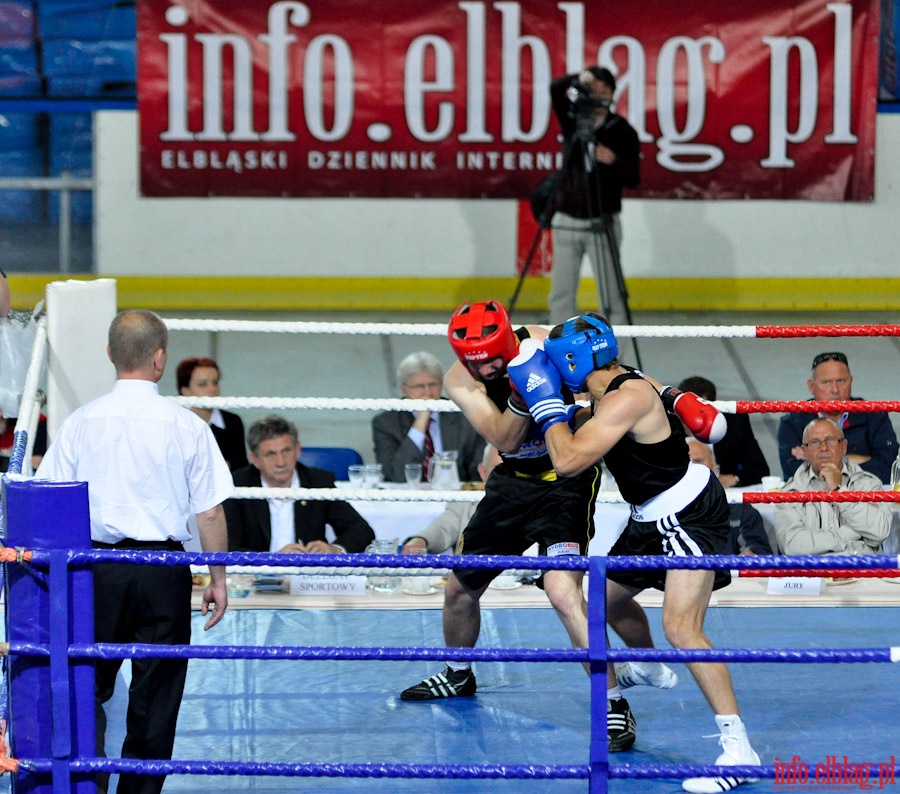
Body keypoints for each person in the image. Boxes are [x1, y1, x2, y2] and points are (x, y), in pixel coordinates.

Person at [509, 313, 759, 792]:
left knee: (682, 628)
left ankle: (738, 750)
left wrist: (543, 400)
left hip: (686, 513)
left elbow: (567, 460)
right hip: (648, 515)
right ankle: (644, 662)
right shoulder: (624, 379)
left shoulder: (626, 396)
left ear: (572, 361)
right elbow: (542, 340)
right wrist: (520, 343)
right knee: (599, 600)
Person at [36, 309, 232, 794]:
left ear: (109, 355)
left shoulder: (81, 422)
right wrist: (219, 580)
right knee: (156, 697)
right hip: (163, 571)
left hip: (94, 569)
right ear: (161, 359)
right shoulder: (186, 425)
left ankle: (87, 787)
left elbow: (47, 503)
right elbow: (209, 513)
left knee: (87, 687)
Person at [400, 300, 605, 702]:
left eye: (495, 358)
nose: (489, 368)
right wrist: (521, 391)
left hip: (567, 480)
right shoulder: (460, 381)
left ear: (509, 339)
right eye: (479, 362)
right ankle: (458, 675)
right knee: (458, 590)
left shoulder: (545, 343)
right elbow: (504, 439)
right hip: (512, 481)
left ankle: (612, 701)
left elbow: (599, 390)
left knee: (563, 593)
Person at [547, 67, 641, 353]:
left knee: (612, 297)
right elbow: (555, 88)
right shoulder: (573, 121)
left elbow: (633, 179)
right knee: (560, 296)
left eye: (604, 88)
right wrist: (580, 77)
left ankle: (618, 358)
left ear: (613, 93)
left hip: (603, 222)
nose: (598, 94)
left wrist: (613, 160)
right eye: (592, 88)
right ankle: (560, 353)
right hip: (567, 220)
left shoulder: (622, 131)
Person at [226, 414, 374, 554]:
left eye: (286, 451)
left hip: (307, 576)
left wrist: (334, 549)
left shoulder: (317, 482)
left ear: (297, 450)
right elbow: (226, 546)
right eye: (271, 454)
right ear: (255, 459)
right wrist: (272, 560)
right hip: (255, 577)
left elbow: (361, 529)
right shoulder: (238, 486)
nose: (281, 462)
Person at [775, 417, 891, 555]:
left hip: (862, 573)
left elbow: (880, 531)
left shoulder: (868, 484)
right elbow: (793, 547)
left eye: (830, 440)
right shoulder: (790, 493)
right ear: (804, 451)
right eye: (814, 442)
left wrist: (839, 492)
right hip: (813, 574)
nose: (823, 448)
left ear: (844, 447)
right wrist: (854, 532)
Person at [777, 352, 897, 483]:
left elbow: (889, 470)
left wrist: (819, 460)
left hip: (864, 500)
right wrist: (858, 460)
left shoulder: (874, 414)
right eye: (826, 382)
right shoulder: (792, 422)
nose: (835, 390)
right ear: (811, 386)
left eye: (841, 381)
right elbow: (794, 475)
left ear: (851, 381)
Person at [372, 350, 485, 483]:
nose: (427, 392)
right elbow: (396, 475)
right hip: (407, 498)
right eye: (419, 386)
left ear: (442, 384)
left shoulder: (462, 415)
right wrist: (421, 421)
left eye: (432, 384)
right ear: (403, 389)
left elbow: (478, 471)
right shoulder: (386, 423)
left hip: (454, 496)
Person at [400, 443, 501, 554]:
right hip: (469, 569)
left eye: (514, 469)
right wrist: (421, 541)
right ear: (483, 472)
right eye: (500, 470)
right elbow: (444, 527)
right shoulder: (465, 500)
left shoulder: (523, 502)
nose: (509, 477)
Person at [677, 375, 770, 488]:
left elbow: (760, 470)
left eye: (699, 413)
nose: (692, 419)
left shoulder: (734, 424)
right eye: (687, 412)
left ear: (713, 410)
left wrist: (733, 479)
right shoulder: (665, 426)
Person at [687, 440, 773, 555]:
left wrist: (750, 557)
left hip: (729, 571)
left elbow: (758, 550)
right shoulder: (663, 513)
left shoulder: (740, 511)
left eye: (698, 462)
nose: (692, 469)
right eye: (685, 463)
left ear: (714, 466)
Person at [176, 356, 248, 471]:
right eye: (203, 384)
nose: (212, 389)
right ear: (185, 390)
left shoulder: (233, 422)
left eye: (215, 383)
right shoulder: (174, 422)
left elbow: (240, 469)